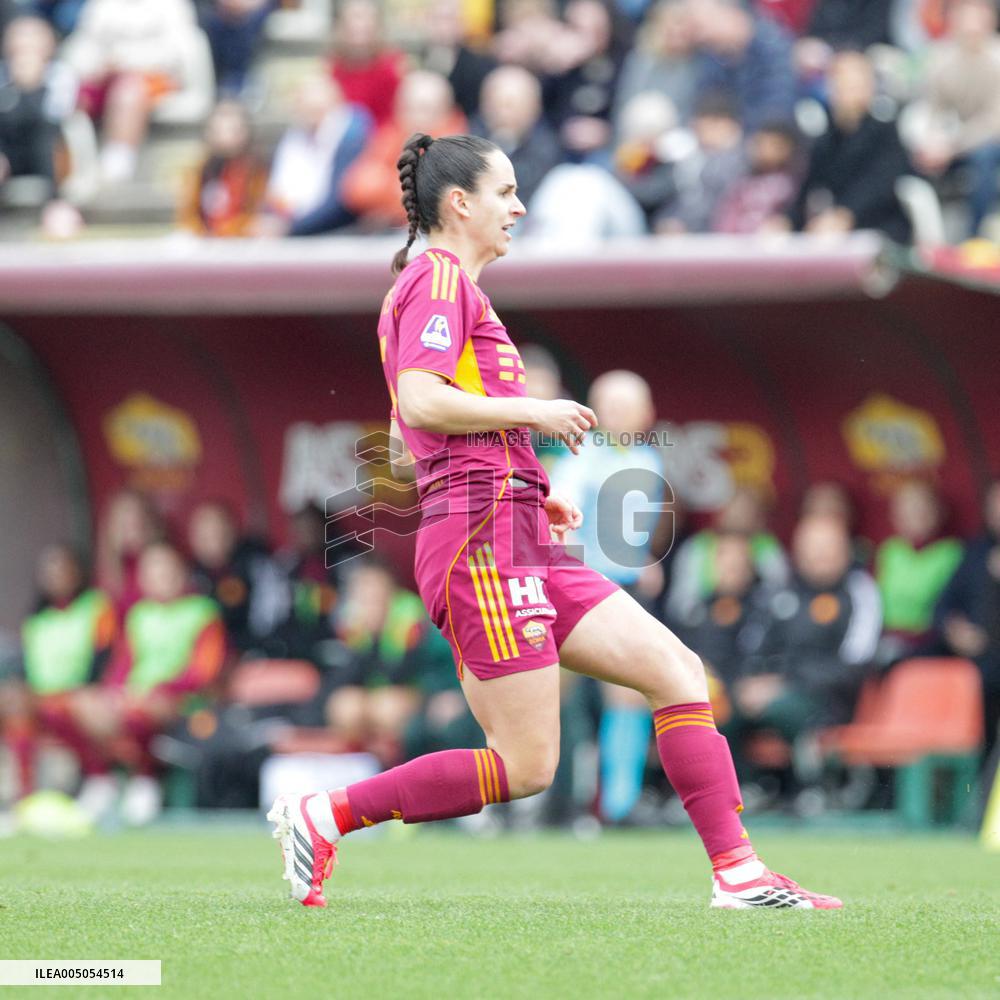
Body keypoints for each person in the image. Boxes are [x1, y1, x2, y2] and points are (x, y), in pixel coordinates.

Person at [267, 130, 841, 910]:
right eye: (505, 193)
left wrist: (527, 488)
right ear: (459, 202)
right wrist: (532, 414)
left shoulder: (446, 288)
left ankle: (738, 874)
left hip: (515, 532)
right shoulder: (436, 280)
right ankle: (324, 813)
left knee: (675, 674)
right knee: (525, 766)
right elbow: (423, 402)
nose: (520, 207)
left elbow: (405, 439)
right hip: (481, 547)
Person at [786, 48, 911, 241]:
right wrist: (785, 221)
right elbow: (807, 191)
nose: (850, 91)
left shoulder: (885, 132)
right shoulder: (826, 139)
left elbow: (881, 184)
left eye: (857, 83)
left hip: (881, 229)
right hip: (835, 232)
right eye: (842, 82)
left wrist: (846, 215)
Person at [910, 0, 1000, 237]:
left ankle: (974, 237)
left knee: (984, 159)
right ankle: (923, 239)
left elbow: (994, 123)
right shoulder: (941, 60)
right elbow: (931, 109)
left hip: (988, 143)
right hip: (958, 141)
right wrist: (931, 140)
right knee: (912, 158)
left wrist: (953, 145)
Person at [933, 478, 1000, 761]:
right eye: (995, 505)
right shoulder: (976, 551)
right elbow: (942, 606)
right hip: (978, 662)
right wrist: (954, 630)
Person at [257, 74, 372, 237]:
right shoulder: (294, 137)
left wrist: (290, 228)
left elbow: (341, 202)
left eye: (318, 110)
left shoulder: (351, 137)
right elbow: (276, 192)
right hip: (295, 228)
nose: (313, 117)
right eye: (305, 110)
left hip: (339, 233)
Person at [875, 480, 962, 662]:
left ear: (939, 512)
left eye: (921, 510)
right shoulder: (889, 550)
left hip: (931, 643)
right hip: (884, 639)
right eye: (905, 512)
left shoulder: (953, 552)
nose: (914, 517)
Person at [177, 98, 267, 237]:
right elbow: (189, 215)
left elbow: (256, 215)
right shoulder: (199, 171)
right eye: (220, 129)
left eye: (234, 129)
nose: (227, 136)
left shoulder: (257, 172)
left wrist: (226, 232)